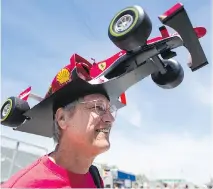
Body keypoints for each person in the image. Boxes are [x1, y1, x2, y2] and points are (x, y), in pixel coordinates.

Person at [1, 59, 117, 188]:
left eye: (110, 110)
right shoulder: (25, 186)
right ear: (62, 118)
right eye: (99, 107)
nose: (110, 119)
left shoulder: (94, 177)